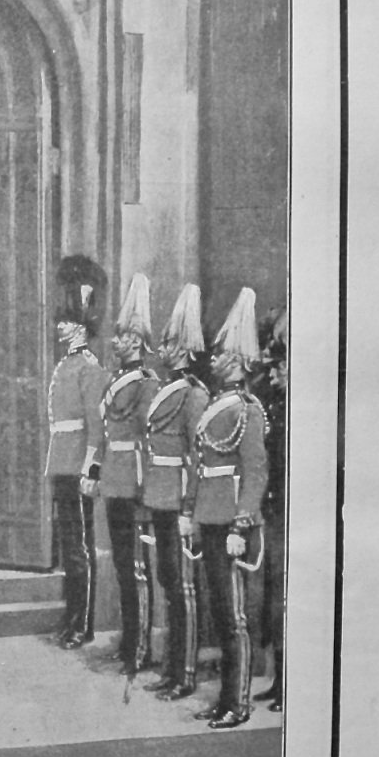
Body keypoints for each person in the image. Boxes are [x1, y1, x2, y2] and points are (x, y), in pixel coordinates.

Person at [183, 288, 270, 730]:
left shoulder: (248, 409)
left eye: (219, 353)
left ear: (236, 359)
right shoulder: (217, 404)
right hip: (211, 518)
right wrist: (194, 515)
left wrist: (241, 523)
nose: (212, 359)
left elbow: (254, 472)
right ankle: (223, 701)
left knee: (235, 619)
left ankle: (238, 703)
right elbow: (201, 465)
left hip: (232, 522)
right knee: (221, 614)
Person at [142, 284, 211, 701]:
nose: (162, 348)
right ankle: (172, 670)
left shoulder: (194, 395)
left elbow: (197, 456)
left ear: (184, 349)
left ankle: (185, 674)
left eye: (169, 342)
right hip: (160, 496)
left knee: (183, 588)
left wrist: (190, 508)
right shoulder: (168, 388)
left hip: (179, 499)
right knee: (169, 582)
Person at [93, 274, 159, 677]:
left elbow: (149, 441)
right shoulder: (117, 379)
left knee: (136, 570)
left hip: (134, 484)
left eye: (120, 337)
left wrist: (144, 490)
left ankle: (141, 648)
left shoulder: (147, 384)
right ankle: (130, 641)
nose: (114, 342)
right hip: (115, 483)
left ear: (135, 341)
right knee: (122, 567)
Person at [46, 257, 109, 649]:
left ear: (81, 327)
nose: (59, 328)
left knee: (81, 547)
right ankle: (72, 617)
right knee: (70, 546)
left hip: (78, 464)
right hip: (61, 461)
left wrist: (91, 468)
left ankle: (83, 624)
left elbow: (96, 425)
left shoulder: (89, 367)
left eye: (66, 322)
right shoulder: (66, 365)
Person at [253, 306, 287, 713]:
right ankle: (278, 680)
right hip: (274, 512)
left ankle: (288, 683)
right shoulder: (274, 406)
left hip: (290, 516)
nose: (273, 373)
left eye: (280, 366)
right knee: (273, 598)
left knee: (286, 598)